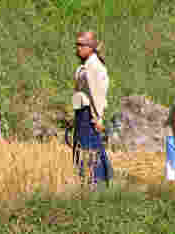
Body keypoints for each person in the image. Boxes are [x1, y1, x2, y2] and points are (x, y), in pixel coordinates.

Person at [71, 31, 113, 187]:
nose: (78, 48)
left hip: (89, 113)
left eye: (81, 45)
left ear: (91, 47)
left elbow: (97, 95)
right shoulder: (87, 65)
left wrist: (98, 117)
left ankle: (96, 182)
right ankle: (91, 181)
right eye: (77, 44)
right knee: (84, 147)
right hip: (83, 112)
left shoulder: (93, 67)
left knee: (89, 148)